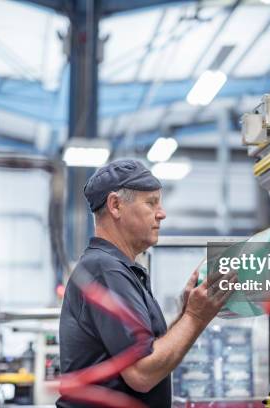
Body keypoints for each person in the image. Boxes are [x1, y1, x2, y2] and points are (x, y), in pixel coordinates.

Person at [57, 159, 234, 408]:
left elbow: (149, 352)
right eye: (151, 203)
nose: (161, 213)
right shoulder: (106, 270)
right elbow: (142, 374)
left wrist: (185, 315)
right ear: (115, 205)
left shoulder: (117, 269)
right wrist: (195, 317)